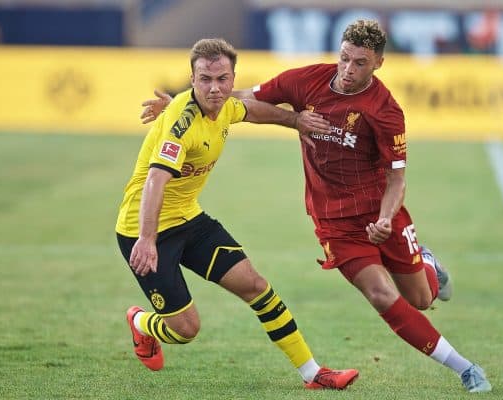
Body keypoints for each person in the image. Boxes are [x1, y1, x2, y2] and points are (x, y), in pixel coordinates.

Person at [141, 21, 492, 393]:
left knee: (421, 299)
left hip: (379, 212)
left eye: (360, 63)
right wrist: (185, 102)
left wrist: (386, 219)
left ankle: (426, 263)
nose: (348, 70)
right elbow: (241, 95)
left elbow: (397, 180)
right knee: (380, 294)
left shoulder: (385, 111)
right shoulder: (305, 80)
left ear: (379, 64)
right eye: (344, 58)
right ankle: (465, 368)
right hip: (333, 221)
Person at [116, 38, 358, 390]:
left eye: (222, 79)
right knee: (186, 331)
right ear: (193, 79)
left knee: (256, 286)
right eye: (205, 80)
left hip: (189, 219)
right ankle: (140, 323)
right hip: (144, 228)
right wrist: (147, 239)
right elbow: (155, 180)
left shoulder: (226, 105)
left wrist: (294, 121)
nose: (215, 88)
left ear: (232, 79)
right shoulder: (180, 125)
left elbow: (254, 110)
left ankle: (314, 373)